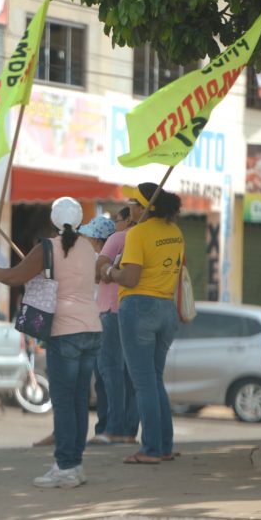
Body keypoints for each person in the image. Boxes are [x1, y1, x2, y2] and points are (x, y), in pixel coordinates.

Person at [0, 197, 101, 488]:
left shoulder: (48, 247)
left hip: (64, 330)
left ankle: (64, 467)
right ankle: (75, 464)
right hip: (92, 328)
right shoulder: (88, 247)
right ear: (79, 221)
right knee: (78, 401)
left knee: (63, 401)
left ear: (52, 219)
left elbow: (15, 276)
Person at [100, 183, 184, 464]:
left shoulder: (136, 234)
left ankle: (150, 449)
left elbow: (131, 278)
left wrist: (109, 271)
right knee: (154, 380)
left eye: (135, 202)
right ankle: (164, 446)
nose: (131, 207)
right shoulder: (175, 232)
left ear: (147, 206)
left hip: (139, 307)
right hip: (166, 309)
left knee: (144, 383)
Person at [92, 208, 139, 445]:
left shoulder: (118, 238)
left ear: (128, 218)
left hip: (110, 310)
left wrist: (108, 270)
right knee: (132, 374)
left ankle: (114, 428)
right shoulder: (145, 237)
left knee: (110, 371)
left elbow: (98, 272)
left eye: (117, 220)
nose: (115, 225)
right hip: (135, 311)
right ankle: (129, 430)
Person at [78, 216, 118, 445]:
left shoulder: (94, 260)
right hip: (97, 320)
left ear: (95, 239)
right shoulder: (105, 258)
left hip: (97, 321)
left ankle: (106, 426)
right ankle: (104, 426)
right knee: (103, 379)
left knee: (104, 378)